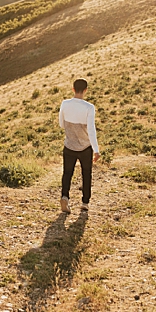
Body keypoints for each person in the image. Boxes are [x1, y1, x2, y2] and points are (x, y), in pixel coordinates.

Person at [58, 77, 99, 214]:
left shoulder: (65, 103)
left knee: (67, 173)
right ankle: (85, 202)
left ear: (73, 89)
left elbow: (61, 124)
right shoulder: (89, 107)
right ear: (86, 90)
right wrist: (96, 150)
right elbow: (91, 130)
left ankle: (65, 197)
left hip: (69, 145)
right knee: (86, 174)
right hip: (85, 147)